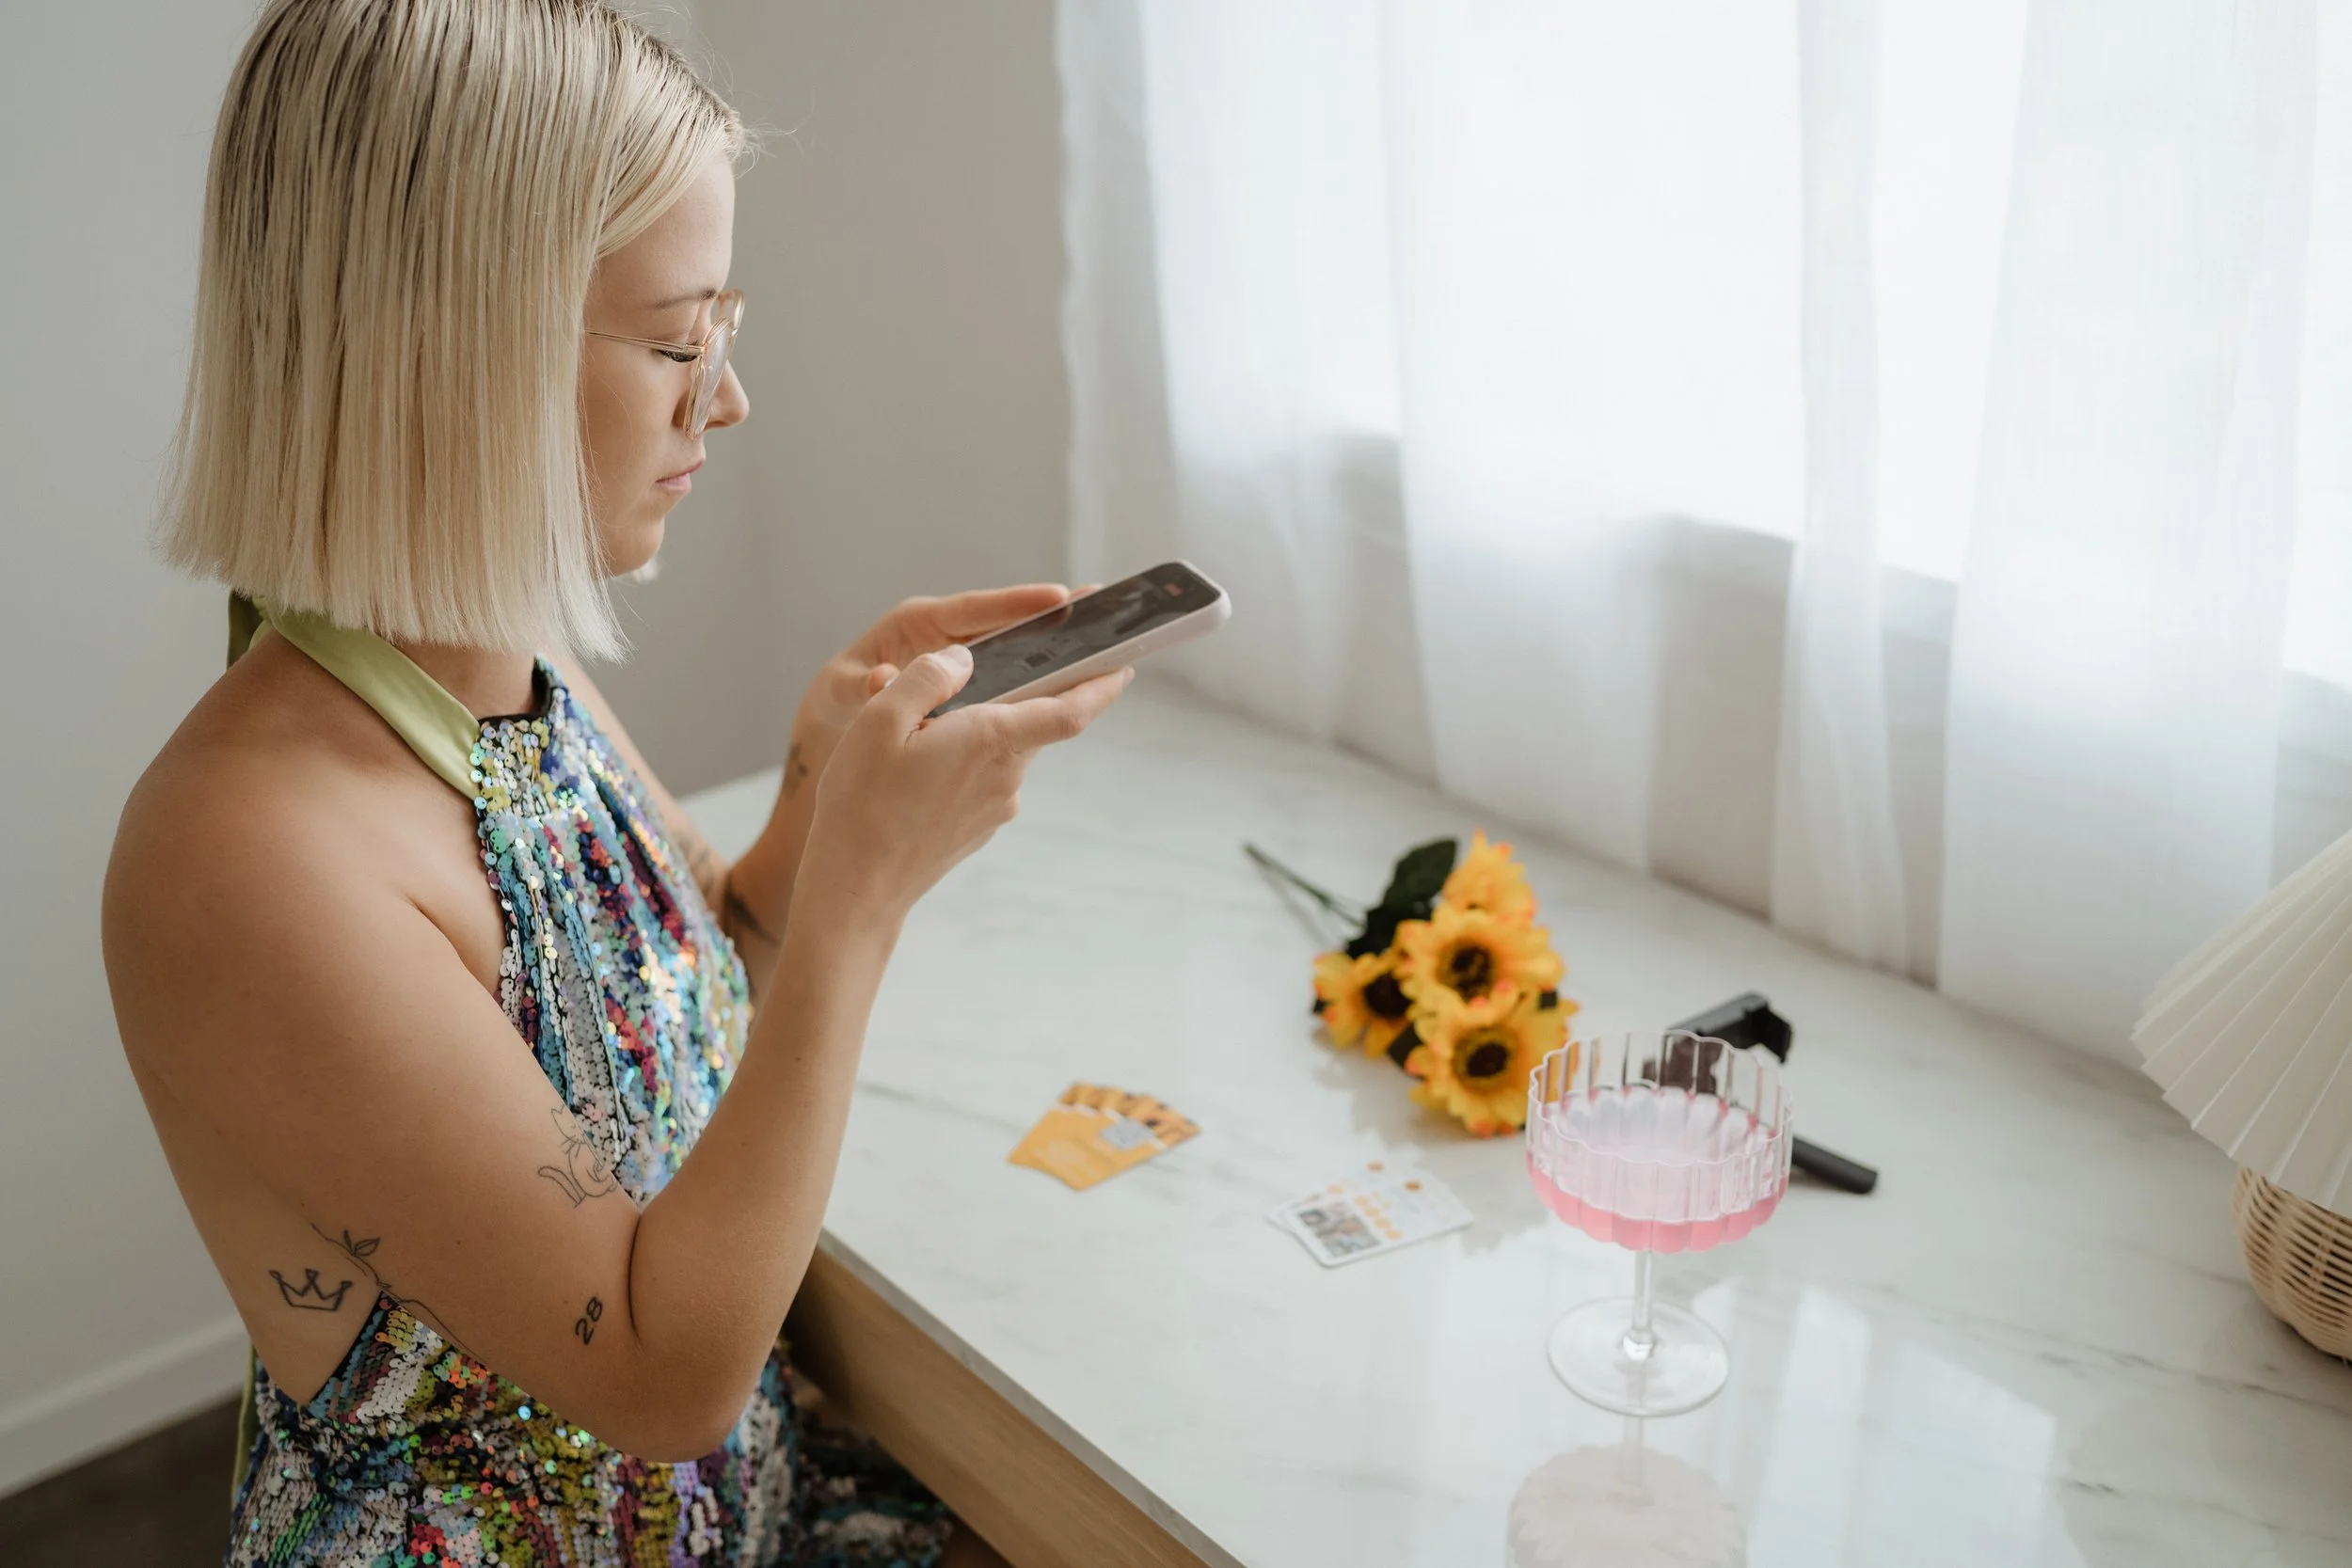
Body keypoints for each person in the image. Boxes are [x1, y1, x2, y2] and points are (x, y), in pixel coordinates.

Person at [100, 3, 1127, 1562]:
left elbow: (684, 1029)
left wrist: (813, 794)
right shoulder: (247, 858)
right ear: (457, 344)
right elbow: (662, 1373)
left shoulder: (511, 675)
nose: (724, 401)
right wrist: (859, 900)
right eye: (675, 338)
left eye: (728, 327)